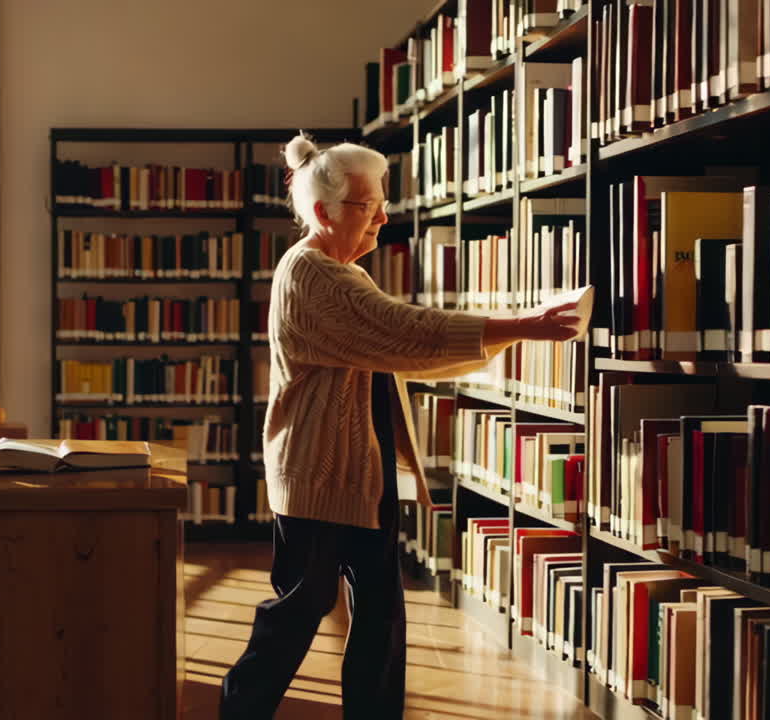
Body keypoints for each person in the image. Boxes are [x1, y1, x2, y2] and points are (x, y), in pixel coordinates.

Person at [218, 132, 581, 719]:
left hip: (363, 468)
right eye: (369, 206)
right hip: (319, 470)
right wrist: (520, 326)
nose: (384, 216)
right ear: (323, 212)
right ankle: (240, 707)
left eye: (383, 201)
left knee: (382, 610)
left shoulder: (344, 272)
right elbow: (404, 332)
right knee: (303, 604)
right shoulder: (312, 274)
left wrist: (507, 333)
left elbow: (402, 346)